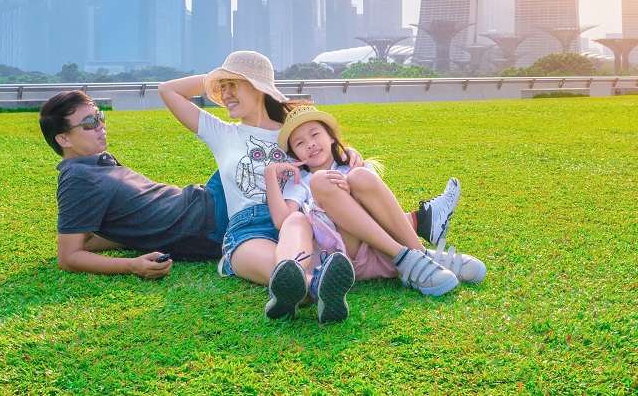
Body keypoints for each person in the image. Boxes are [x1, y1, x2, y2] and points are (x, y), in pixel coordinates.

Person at [158, 51, 464, 322]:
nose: (225, 95)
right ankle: (320, 290)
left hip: (305, 222)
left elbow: (323, 150)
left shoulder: (292, 130)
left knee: (299, 225)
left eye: (233, 85)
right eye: (221, 88)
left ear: (259, 87)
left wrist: (350, 151)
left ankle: (414, 253)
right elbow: (167, 90)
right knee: (288, 279)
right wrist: (221, 74)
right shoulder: (221, 132)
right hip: (248, 229)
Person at [266, 105, 486, 299]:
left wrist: (350, 185)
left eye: (315, 134)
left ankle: (419, 256)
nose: (311, 144)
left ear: (331, 137)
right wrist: (270, 176)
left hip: (383, 251)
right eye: (300, 143)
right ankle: (412, 256)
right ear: (294, 154)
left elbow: (381, 210)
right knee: (321, 180)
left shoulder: (353, 166)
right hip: (348, 257)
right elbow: (283, 220)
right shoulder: (301, 180)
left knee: (359, 176)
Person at [39, 90, 226, 280]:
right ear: (64, 139)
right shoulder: (78, 178)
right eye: (89, 123)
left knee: (247, 148)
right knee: (249, 150)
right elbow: (68, 256)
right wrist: (132, 265)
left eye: (99, 116)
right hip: (208, 220)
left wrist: (139, 238)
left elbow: (87, 240)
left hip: (206, 197)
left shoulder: (93, 165)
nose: (100, 125)